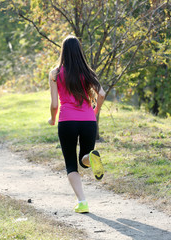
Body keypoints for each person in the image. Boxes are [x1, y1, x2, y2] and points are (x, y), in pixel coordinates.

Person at [48, 35, 106, 213]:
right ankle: (91, 158)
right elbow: (102, 93)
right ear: (79, 51)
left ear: (63, 52)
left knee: (71, 164)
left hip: (67, 121)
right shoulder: (87, 72)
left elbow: (55, 104)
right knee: (84, 159)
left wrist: (52, 118)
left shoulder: (55, 73)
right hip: (88, 120)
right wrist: (96, 111)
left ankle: (82, 202)